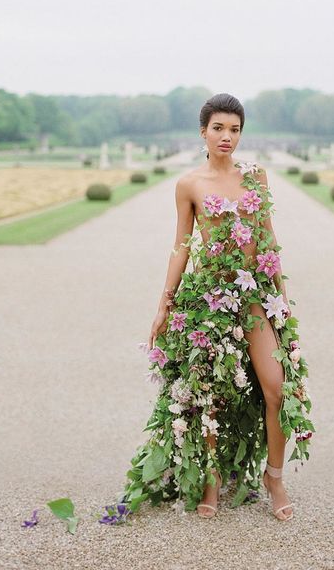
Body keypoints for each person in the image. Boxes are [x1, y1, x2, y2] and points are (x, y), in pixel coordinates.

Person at [120, 93, 314, 521]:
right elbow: (182, 246)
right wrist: (163, 304)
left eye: (235, 129)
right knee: (209, 396)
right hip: (210, 299)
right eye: (219, 128)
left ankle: (274, 477)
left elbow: (268, 237)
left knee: (277, 389)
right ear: (203, 132)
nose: (227, 137)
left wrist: (280, 298)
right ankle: (211, 479)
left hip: (254, 296)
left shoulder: (256, 176)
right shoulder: (189, 184)